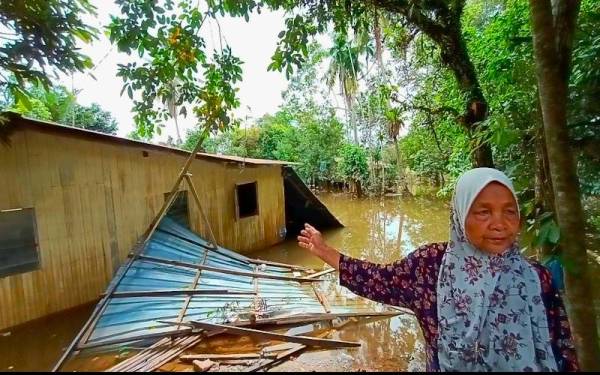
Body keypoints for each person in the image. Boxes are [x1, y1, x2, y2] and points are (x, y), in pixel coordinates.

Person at [297, 168, 579, 372]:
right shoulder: (430, 266)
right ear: (460, 214)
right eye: (483, 211)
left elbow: (563, 349)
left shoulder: (536, 278)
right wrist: (326, 252)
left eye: (509, 211)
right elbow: (378, 280)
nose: (499, 223)